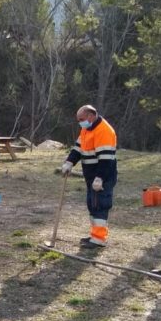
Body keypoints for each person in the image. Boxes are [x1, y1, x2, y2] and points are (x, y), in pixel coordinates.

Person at [60, 105, 118, 249]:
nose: (80, 122)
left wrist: (100, 178)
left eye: (81, 119)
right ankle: (95, 235)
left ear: (91, 116)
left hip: (102, 176)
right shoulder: (87, 128)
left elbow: (106, 159)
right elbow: (78, 148)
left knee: (100, 205)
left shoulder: (104, 131)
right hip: (91, 175)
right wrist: (69, 162)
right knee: (92, 204)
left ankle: (99, 238)